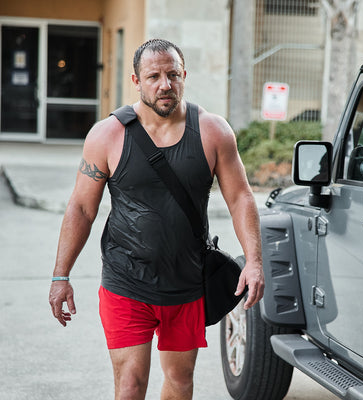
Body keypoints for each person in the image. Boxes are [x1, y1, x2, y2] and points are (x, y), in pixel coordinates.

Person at [49, 38, 264, 400]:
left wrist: (254, 261)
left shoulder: (213, 131)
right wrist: (60, 275)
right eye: (153, 77)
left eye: (172, 75)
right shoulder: (108, 135)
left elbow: (240, 196)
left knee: (180, 381)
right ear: (136, 80)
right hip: (125, 281)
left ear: (184, 76)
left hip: (187, 282)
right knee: (131, 385)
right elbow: (81, 209)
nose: (165, 85)